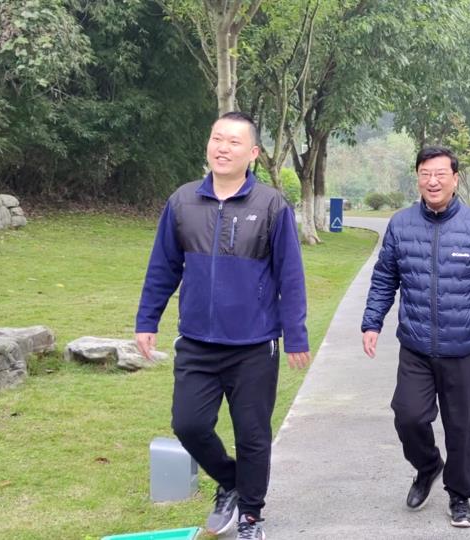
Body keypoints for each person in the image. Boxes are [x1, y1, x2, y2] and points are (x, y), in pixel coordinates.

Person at [135, 111, 311, 540]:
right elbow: (163, 267)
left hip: (254, 345)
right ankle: (232, 481)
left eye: (234, 142)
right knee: (188, 424)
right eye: (217, 138)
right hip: (197, 342)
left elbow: (290, 276)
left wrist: (296, 335)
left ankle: (250, 515)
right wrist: (147, 319)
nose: (223, 148)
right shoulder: (183, 202)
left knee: (253, 435)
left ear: (252, 153)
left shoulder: (271, 205)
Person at [361, 145, 470, 529]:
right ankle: (428, 465)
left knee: (461, 426)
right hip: (415, 345)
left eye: (440, 174)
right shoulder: (401, 225)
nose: (433, 181)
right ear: (417, 178)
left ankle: (459, 495)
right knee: (408, 416)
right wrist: (372, 322)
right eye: (425, 174)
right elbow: (384, 278)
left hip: (462, 347)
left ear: (455, 179)